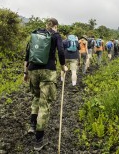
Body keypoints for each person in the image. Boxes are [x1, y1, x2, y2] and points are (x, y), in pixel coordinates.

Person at [23, 18, 68, 151]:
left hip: (33, 70)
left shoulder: (36, 34)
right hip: (48, 71)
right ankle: (38, 140)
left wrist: (25, 73)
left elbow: (27, 54)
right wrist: (63, 66)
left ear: (46, 25)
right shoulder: (55, 35)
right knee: (45, 103)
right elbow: (60, 51)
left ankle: (32, 125)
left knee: (36, 97)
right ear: (55, 26)